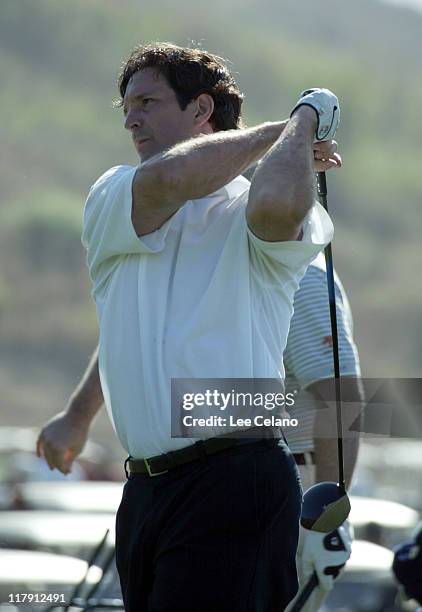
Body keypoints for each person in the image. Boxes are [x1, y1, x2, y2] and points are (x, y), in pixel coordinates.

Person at [36, 43, 342, 611]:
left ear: (202, 110)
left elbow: (277, 205)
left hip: (235, 478)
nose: (131, 117)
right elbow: (132, 328)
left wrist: (301, 124)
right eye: (126, 106)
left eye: (148, 101)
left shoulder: (256, 207)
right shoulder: (115, 194)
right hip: (146, 490)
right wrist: (79, 414)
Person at [284, 253, 363, 611]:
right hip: (279, 486)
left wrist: (324, 521)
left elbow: (341, 397)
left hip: (300, 491)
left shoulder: (300, 273)